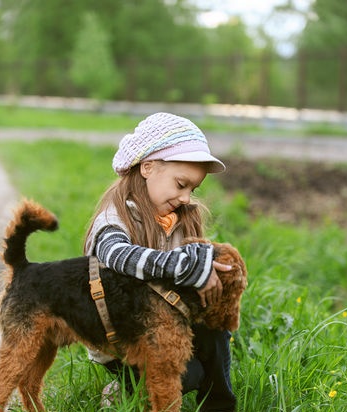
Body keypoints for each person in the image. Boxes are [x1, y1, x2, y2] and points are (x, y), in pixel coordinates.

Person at [84, 112, 236, 412]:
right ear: (148, 167)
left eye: (193, 189)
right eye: (181, 184)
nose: (186, 198)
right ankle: (126, 388)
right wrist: (185, 267)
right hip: (122, 342)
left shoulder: (178, 219)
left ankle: (221, 405)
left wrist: (210, 270)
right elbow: (117, 256)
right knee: (189, 376)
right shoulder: (114, 219)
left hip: (165, 326)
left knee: (215, 331)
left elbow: (190, 267)